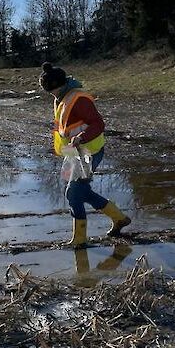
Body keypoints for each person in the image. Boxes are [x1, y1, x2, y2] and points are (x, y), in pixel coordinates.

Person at [39, 62, 131, 247]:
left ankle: (80, 239)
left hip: (89, 150)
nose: (51, 94)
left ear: (60, 84)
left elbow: (98, 124)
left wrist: (81, 137)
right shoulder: (61, 98)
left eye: (52, 90)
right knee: (81, 192)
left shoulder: (79, 99)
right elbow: (63, 128)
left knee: (73, 193)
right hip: (74, 153)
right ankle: (119, 218)